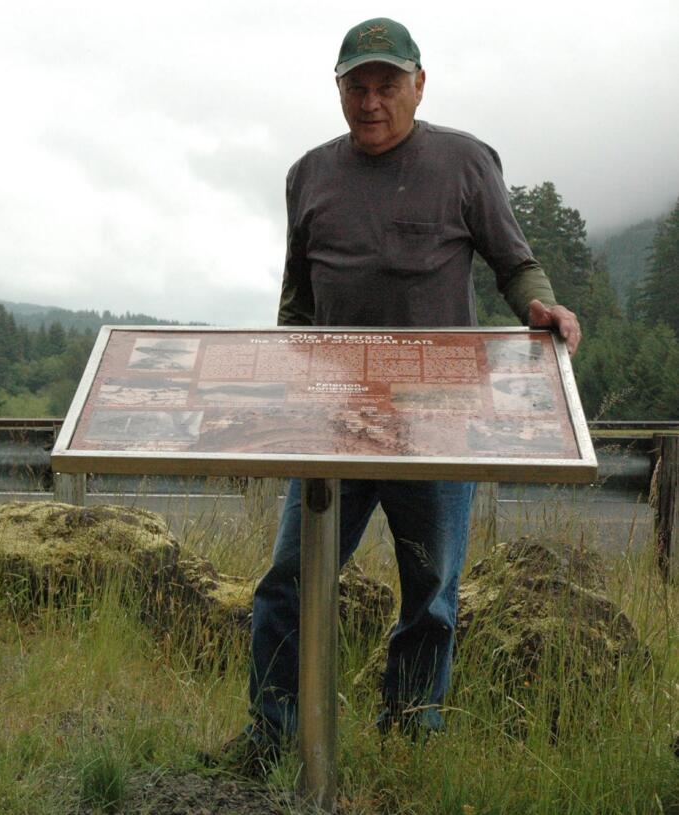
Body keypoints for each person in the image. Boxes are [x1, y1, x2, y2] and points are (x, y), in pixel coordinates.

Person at [221, 17, 582, 773]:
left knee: (431, 595)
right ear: (340, 90)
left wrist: (541, 308)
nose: (372, 100)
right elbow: (298, 303)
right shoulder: (308, 174)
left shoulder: (465, 161)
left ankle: (410, 742)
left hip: (440, 426)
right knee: (288, 583)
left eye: (388, 84)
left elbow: (516, 264)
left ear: (420, 83)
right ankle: (271, 737)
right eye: (357, 85)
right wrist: (282, 409)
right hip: (334, 424)